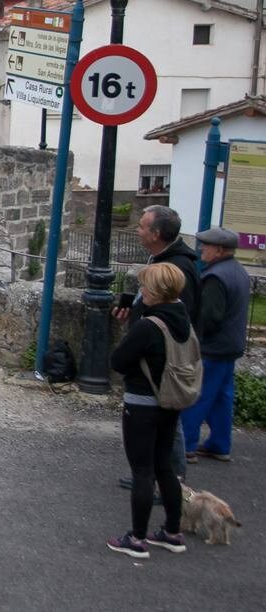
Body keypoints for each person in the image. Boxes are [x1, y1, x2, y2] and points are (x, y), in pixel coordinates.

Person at [107, 261, 192, 558]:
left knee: (142, 471)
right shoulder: (182, 321)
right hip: (171, 401)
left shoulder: (148, 326)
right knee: (164, 467)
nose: (142, 292)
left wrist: (129, 331)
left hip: (143, 403)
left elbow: (118, 361)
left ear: (155, 292)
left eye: (145, 287)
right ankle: (172, 531)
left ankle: (137, 538)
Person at [115, 204, 200, 481]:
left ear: (157, 234)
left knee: (167, 419)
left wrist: (146, 334)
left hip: (164, 361)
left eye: (142, 227)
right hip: (155, 355)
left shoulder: (177, 267)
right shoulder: (161, 259)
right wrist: (134, 309)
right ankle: (159, 474)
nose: (137, 231)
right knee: (164, 421)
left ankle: (172, 478)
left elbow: (177, 316)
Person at [181, 227, 251, 463]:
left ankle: (187, 445)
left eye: (206, 245)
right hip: (231, 345)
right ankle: (220, 444)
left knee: (198, 394)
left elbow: (209, 317)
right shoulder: (238, 271)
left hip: (214, 347)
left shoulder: (215, 276)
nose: (202, 249)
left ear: (219, 250)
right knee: (222, 396)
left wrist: (195, 338)